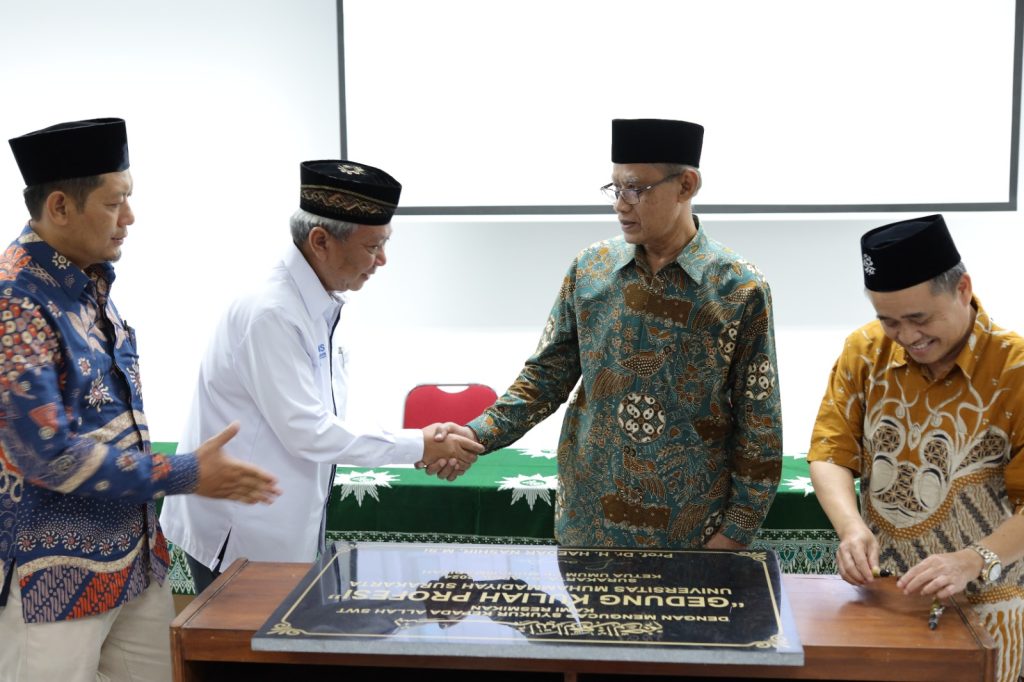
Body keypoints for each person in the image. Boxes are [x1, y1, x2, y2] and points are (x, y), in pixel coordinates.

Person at [0, 117, 280, 682]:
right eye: (115, 202)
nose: (129, 217)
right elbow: (46, 454)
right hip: (51, 575)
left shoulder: (89, 282)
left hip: (132, 562)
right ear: (60, 207)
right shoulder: (16, 298)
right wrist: (186, 472)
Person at [439, 118, 783, 549]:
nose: (621, 205)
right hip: (591, 521)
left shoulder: (738, 287)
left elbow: (759, 417)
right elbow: (545, 377)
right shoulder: (592, 270)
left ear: (686, 185)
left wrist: (736, 531)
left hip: (691, 530)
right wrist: (477, 434)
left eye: (635, 189)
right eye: (615, 188)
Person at [159, 159, 484, 592]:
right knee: (245, 639)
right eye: (373, 246)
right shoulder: (272, 312)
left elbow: (323, 417)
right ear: (320, 241)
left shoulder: (315, 302)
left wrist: (421, 441)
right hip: (241, 536)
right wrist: (421, 443)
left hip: (279, 526)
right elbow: (308, 431)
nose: (382, 260)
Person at [808, 214, 1024, 682]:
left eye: (919, 318)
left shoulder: (1015, 370)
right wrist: (851, 528)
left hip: (985, 610)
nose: (906, 337)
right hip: (880, 600)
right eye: (889, 321)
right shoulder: (865, 351)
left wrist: (972, 559)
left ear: (963, 289)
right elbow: (830, 451)